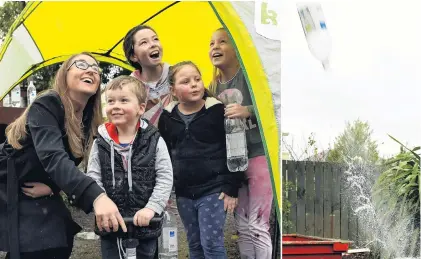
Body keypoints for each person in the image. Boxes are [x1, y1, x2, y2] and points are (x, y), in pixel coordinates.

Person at [0, 52, 127, 259]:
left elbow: (68, 163)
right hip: (7, 182)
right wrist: (97, 197)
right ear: (64, 74)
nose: (90, 69)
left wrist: (53, 186)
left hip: (34, 187)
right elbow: (53, 157)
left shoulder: (87, 122)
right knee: (34, 247)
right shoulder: (47, 104)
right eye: (81, 64)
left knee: (61, 238)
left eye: (95, 68)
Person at [158, 61, 242, 259]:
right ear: (173, 90)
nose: (194, 84)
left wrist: (232, 188)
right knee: (194, 245)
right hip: (184, 193)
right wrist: (165, 189)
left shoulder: (218, 112)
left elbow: (235, 149)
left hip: (214, 190)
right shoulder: (167, 118)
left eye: (197, 79)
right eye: (186, 81)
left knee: (211, 244)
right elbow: (165, 156)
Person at [86, 75, 173, 259]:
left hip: (145, 223)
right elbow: (93, 177)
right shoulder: (100, 142)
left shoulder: (154, 139)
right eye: (110, 101)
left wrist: (152, 208)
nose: (115, 105)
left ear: (141, 108)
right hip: (111, 224)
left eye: (124, 100)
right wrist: (100, 205)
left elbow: (165, 176)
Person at [209, 28, 274, 259]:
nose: (215, 47)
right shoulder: (213, 87)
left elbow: (274, 107)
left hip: (258, 155)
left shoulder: (250, 76)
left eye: (222, 42)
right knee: (243, 227)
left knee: (257, 225)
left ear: (237, 49)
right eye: (211, 44)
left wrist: (247, 110)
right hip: (234, 163)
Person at [123, 24, 172, 127]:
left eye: (155, 39)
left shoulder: (177, 74)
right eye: (144, 42)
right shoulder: (130, 88)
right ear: (133, 56)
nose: (153, 44)